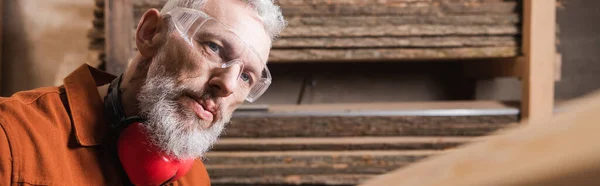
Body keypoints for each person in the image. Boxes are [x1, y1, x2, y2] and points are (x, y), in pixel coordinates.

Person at [0, 0, 286, 185]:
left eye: (247, 76)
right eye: (213, 47)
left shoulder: (194, 179)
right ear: (150, 34)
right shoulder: (13, 138)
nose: (228, 85)